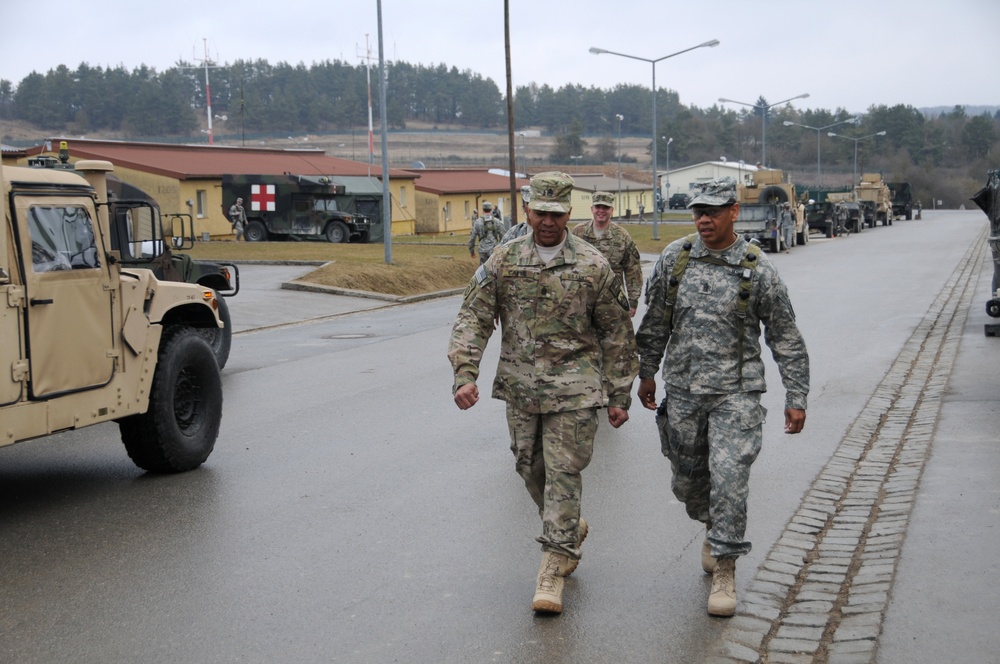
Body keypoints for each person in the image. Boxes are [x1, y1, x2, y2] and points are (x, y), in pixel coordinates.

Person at [448, 172, 638, 615]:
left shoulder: (593, 265)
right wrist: (464, 372)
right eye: (539, 212)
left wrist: (619, 394)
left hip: (576, 391)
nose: (547, 221)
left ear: (568, 212)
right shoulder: (503, 260)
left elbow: (616, 333)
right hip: (521, 388)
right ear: (528, 210)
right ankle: (569, 526)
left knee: (563, 473)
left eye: (556, 213)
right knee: (527, 465)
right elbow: (472, 317)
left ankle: (554, 564)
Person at [634, 176, 809, 618]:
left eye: (713, 210)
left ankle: (726, 567)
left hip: (737, 394)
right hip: (685, 391)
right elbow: (654, 324)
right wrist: (646, 373)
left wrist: (797, 394)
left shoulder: (757, 269)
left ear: (734, 211)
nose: (703, 219)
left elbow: (785, 336)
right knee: (689, 482)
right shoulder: (675, 260)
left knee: (729, 478)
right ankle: (713, 526)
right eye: (698, 211)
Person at [571, 191, 643, 317]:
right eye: (598, 207)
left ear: (612, 210)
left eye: (606, 208)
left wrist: (633, 301)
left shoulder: (621, 236)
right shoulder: (578, 233)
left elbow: (633, 269)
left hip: (612, 300)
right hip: (582, 299)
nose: (601, 211)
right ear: (592, 209)